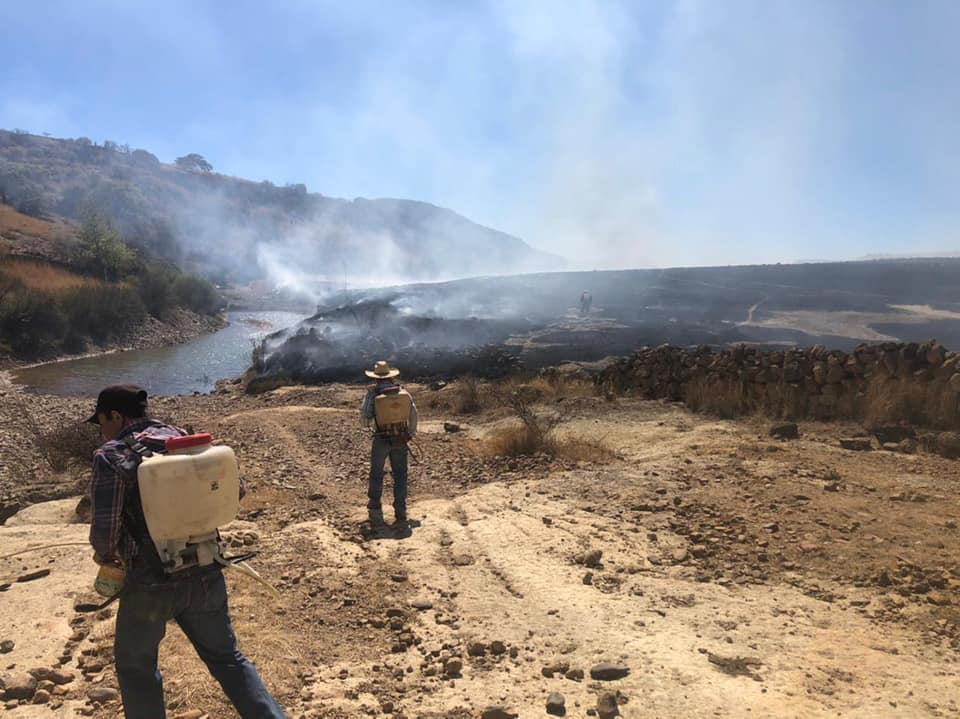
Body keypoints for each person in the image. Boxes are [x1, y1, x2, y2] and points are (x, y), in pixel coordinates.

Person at [86, 384, 284, 719]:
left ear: (116, 416)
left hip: (150, 581)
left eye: (101, 422)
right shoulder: (182, 438)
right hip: (206, 567)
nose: (101, 430)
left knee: (137, 669)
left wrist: (105, 555)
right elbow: (236, 490)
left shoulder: (111, 455)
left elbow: (105, 530)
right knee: (227, 659)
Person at [360, 361, 418, 526]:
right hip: (401, 438)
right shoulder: (403, 392)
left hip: (381, 439)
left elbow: (364, 420)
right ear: (392, 377)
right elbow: (414, 414)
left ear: (376, 378)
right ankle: (401, 511)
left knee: (376, 473)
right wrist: (410, 433)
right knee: (400, 474)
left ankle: (375, 510)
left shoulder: (373, 394)